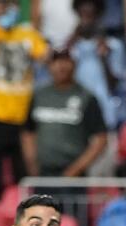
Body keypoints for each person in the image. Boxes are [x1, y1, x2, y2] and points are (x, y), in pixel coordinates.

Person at [0, 0, 48, 199]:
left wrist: (37, 24)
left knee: (22, 180)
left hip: (21, 118)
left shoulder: (28, 34)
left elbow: (46, 57)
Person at [21, 48, 108, 186]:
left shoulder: (86, 97)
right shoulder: (39, 95)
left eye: (66, 60)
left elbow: (100, 139)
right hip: (43, 174)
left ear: (74, 63)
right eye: (55, 61)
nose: (60, 66)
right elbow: (28, 132)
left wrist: (75, 170)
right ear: (48, 65)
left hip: (73, 178)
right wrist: (32, 163)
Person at [67, 0, 126, 173]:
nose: (88, 20)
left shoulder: (113, 46)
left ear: (99, 16)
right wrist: (72, 40)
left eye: (91, 15)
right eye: (83, 14)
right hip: (75, 115)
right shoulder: (69, 48)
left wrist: (104, 58)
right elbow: (60, 77)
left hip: (104, 116)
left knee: (102, 176)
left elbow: (114, 84)